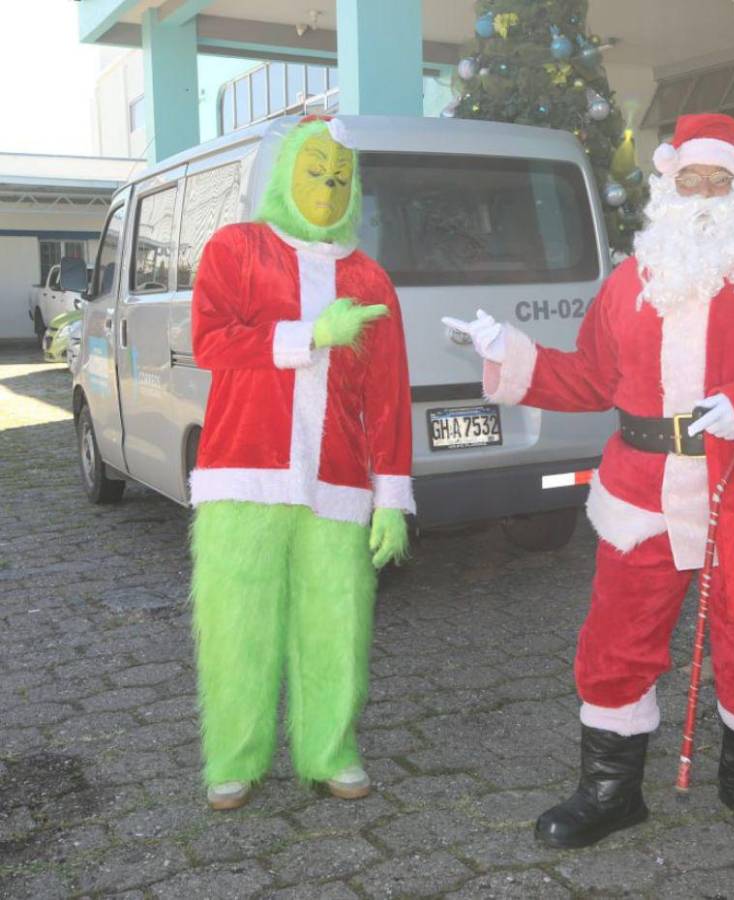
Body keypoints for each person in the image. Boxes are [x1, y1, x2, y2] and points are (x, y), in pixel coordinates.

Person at [445, 113, 734, 848]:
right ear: (668, 188)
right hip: (640, 490)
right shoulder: (630, 282)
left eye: (722, 182)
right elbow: (589, 378)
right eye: (692, 181)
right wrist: (509, 351)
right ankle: (612, 793)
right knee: (618, 639)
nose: (707, 195)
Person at [189, 115, 413, 811]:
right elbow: (210, 341)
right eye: (315, 171)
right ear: (286, 174)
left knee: (336, 622)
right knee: (237, 623)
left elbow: (388, 394)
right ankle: (234, 756)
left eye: (341, 177)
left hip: (338, 481)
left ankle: (330, 748)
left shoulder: (371, 277)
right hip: (243, 474)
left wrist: (392, 498)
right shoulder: (235, 248)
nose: (327, 185)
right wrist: (311, 334)